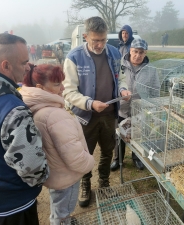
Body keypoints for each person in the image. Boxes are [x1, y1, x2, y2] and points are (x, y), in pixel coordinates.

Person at [0, 33, 49, 225]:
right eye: (24, 62)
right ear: (6, 65)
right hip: (13, 207)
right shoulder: (12, 110)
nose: (28, 67)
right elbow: (32, 169)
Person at [63, 16, 131, 208]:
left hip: (109, 115)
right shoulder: (74, 57)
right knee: (86, 153)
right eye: (95, 40)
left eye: (103, 40)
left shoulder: (114, 53)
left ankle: (104, 183)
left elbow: (121, 77)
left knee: (108, 150)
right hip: (86, 117)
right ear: (85, 36)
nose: (100, 45)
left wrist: (123, 89)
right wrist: (90, 103)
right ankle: (85, 184)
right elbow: (68, 91)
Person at [20, 64, 95, 225]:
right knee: (62, 213)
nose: (62, 88)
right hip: (66, 176)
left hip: (55, 172)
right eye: (56, 84)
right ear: (40, 87)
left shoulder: (37, 105)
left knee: (59, 206)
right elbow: (74, 155)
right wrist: (90, 162)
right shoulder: (53, 115)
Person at [111, 38, 160, 171]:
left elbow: (155, 90)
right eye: (135, 51)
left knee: (138, 135)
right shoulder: (120, 64)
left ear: (145, 53)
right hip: (121, 108)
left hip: (140, 110)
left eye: (141, 52)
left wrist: (153, 107)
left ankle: (136, 158)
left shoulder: (151, 70)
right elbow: (113, 83)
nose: (138, 55)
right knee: (118, 135)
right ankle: (118, 159)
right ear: (130, 50)